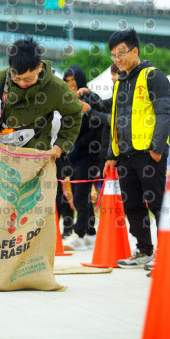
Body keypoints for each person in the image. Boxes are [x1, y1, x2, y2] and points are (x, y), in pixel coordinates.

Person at [103, 29, 170, 269]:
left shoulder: (153, 76)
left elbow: (165, 113)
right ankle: (144, 251)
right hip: (125, 156)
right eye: (113, 56)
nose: (117, 60)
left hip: (148, 155)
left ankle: (167, 255)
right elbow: (115, 120)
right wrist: (112, 155)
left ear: (135, 50)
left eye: (121, 54)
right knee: (132, 205)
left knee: (157, 204)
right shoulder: (119, 83)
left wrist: (156, 150)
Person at [0, 37, 83, 156]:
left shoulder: (57, 88)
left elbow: (74, 113)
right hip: (0, 152)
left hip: (38, 154)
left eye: (28, 79)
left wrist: (61, 145)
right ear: (10, 67)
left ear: (39, 68)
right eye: (16, 78)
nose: (22, 83)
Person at [62, 65, 105, 251]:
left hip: (91, 154)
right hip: (76, 155)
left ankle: (78, 234)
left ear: (80, 79)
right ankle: (90, 232)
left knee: (80, 194)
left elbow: (99, 124)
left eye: (73, 80)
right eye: (67, 81)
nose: (71, 84)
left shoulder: (90, 97)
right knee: (82, 194)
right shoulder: (67, 100)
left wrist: (78, 143)